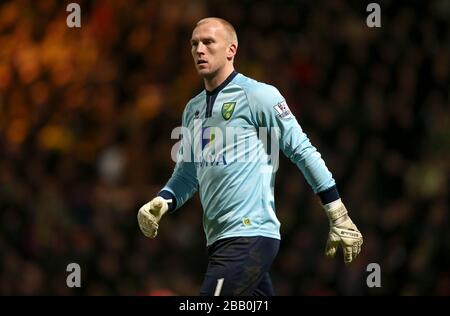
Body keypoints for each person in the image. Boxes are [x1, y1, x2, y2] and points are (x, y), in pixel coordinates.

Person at [137, 17, 363, 296]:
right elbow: (186, 173)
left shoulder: (259, 95)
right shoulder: (192, 109)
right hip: (218, 239)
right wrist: (163, 200)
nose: (199, 50)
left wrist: (337, 212)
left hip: (249, 235)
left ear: (231, 50)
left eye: (208, 42)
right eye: (194, 43)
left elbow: (302, 150)